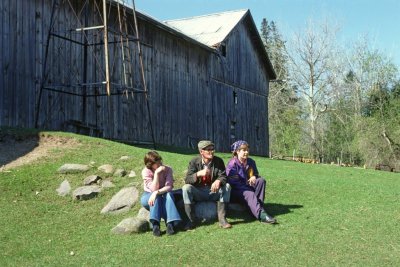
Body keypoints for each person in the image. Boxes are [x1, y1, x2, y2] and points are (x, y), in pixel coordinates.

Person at [182, 140, 232, 230]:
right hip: (199, 192)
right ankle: (191, 221)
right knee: (186, 188)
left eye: (212, 149)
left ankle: (222, 220)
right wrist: (198, 174)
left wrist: (218, 181)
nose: (211, 151)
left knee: (227, 186)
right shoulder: (194, 161)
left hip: (213, 192)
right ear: (201, 151)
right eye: (208, 149)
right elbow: (187, 179)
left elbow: (224, 176)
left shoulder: (218, 161)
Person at [226, 140, 277, 224]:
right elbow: (234, 183)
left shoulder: (251, 162)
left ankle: (258, 207)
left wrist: (254, 176)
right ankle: (261, 215)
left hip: (247, 187)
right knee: (248, 193)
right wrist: (247, 186)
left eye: (247, 150)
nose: (246, 152)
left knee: (261, 181)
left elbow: (256, 174)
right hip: (236, 192)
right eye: (244, 150)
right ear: (237, 151)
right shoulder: (232, 164)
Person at [140, 150, 181, 236]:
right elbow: (153, 189)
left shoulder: (168, 169)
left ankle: (170, 224)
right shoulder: (146, 172)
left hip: (164, 193)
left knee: (169, 195)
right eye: (157, 162)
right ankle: (155, 224)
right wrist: (157, 174)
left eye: (160, 161)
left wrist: (156, 193)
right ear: (150, 164)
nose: (160, 164)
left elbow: (169, 187)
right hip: (148, 195)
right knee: (156, 197)